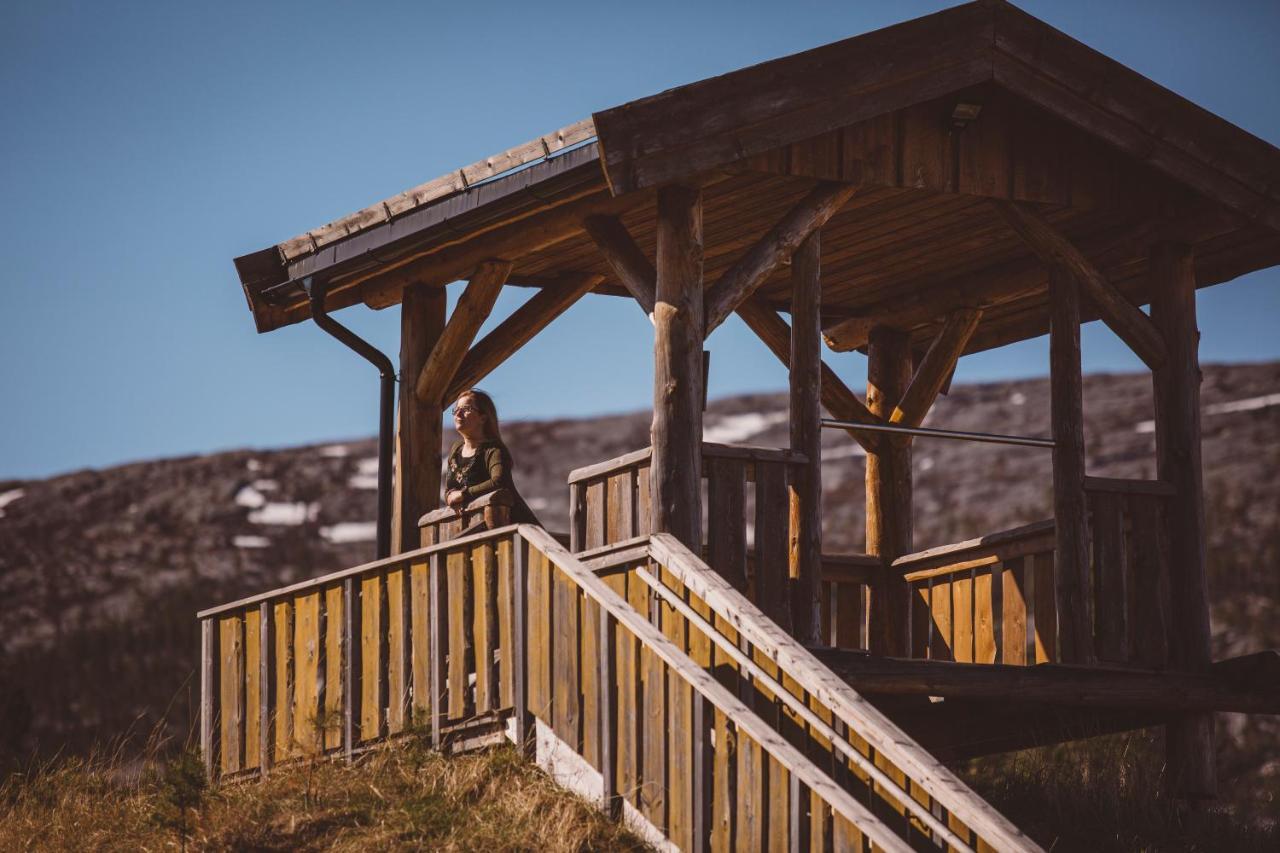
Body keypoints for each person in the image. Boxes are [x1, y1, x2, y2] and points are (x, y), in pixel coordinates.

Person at [444, 389, 539, 528]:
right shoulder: (456, 450)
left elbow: (499, 482)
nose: (458, 414)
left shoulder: (493, 450)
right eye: (456, 409)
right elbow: (450, 489)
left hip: (516, 529)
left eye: (466, 409)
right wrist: (450, 497)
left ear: (483, 417)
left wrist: (464, 495)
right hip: (476, 531)